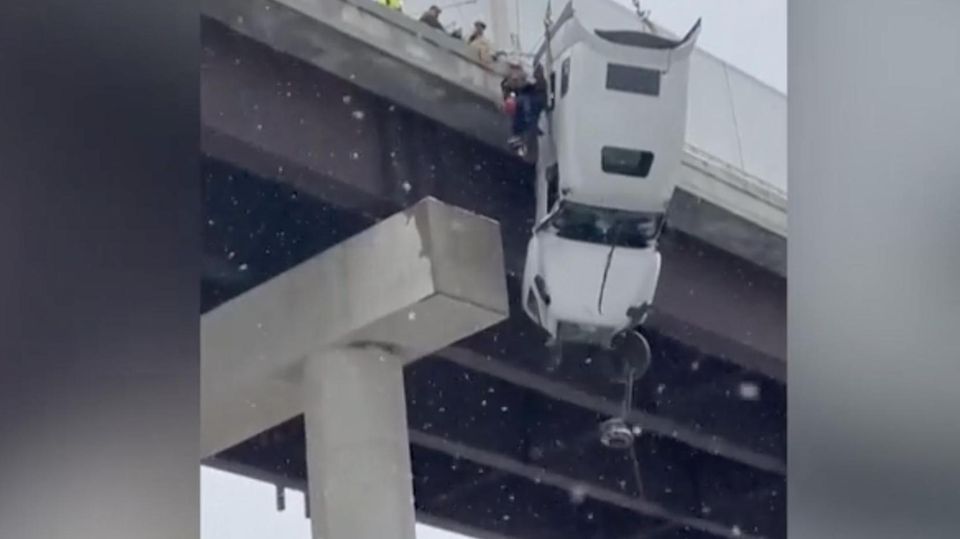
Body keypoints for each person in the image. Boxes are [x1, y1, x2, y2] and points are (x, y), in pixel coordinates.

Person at [501, 61, 548, 153]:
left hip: (533, 103)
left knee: (526, 104)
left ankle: (528, 130)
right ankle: (519, 136)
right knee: (518, 113)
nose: (514, 77)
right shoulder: (507, 86)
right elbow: (508, 99)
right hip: (522, 108)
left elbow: (538, 89)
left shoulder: (529, 80)